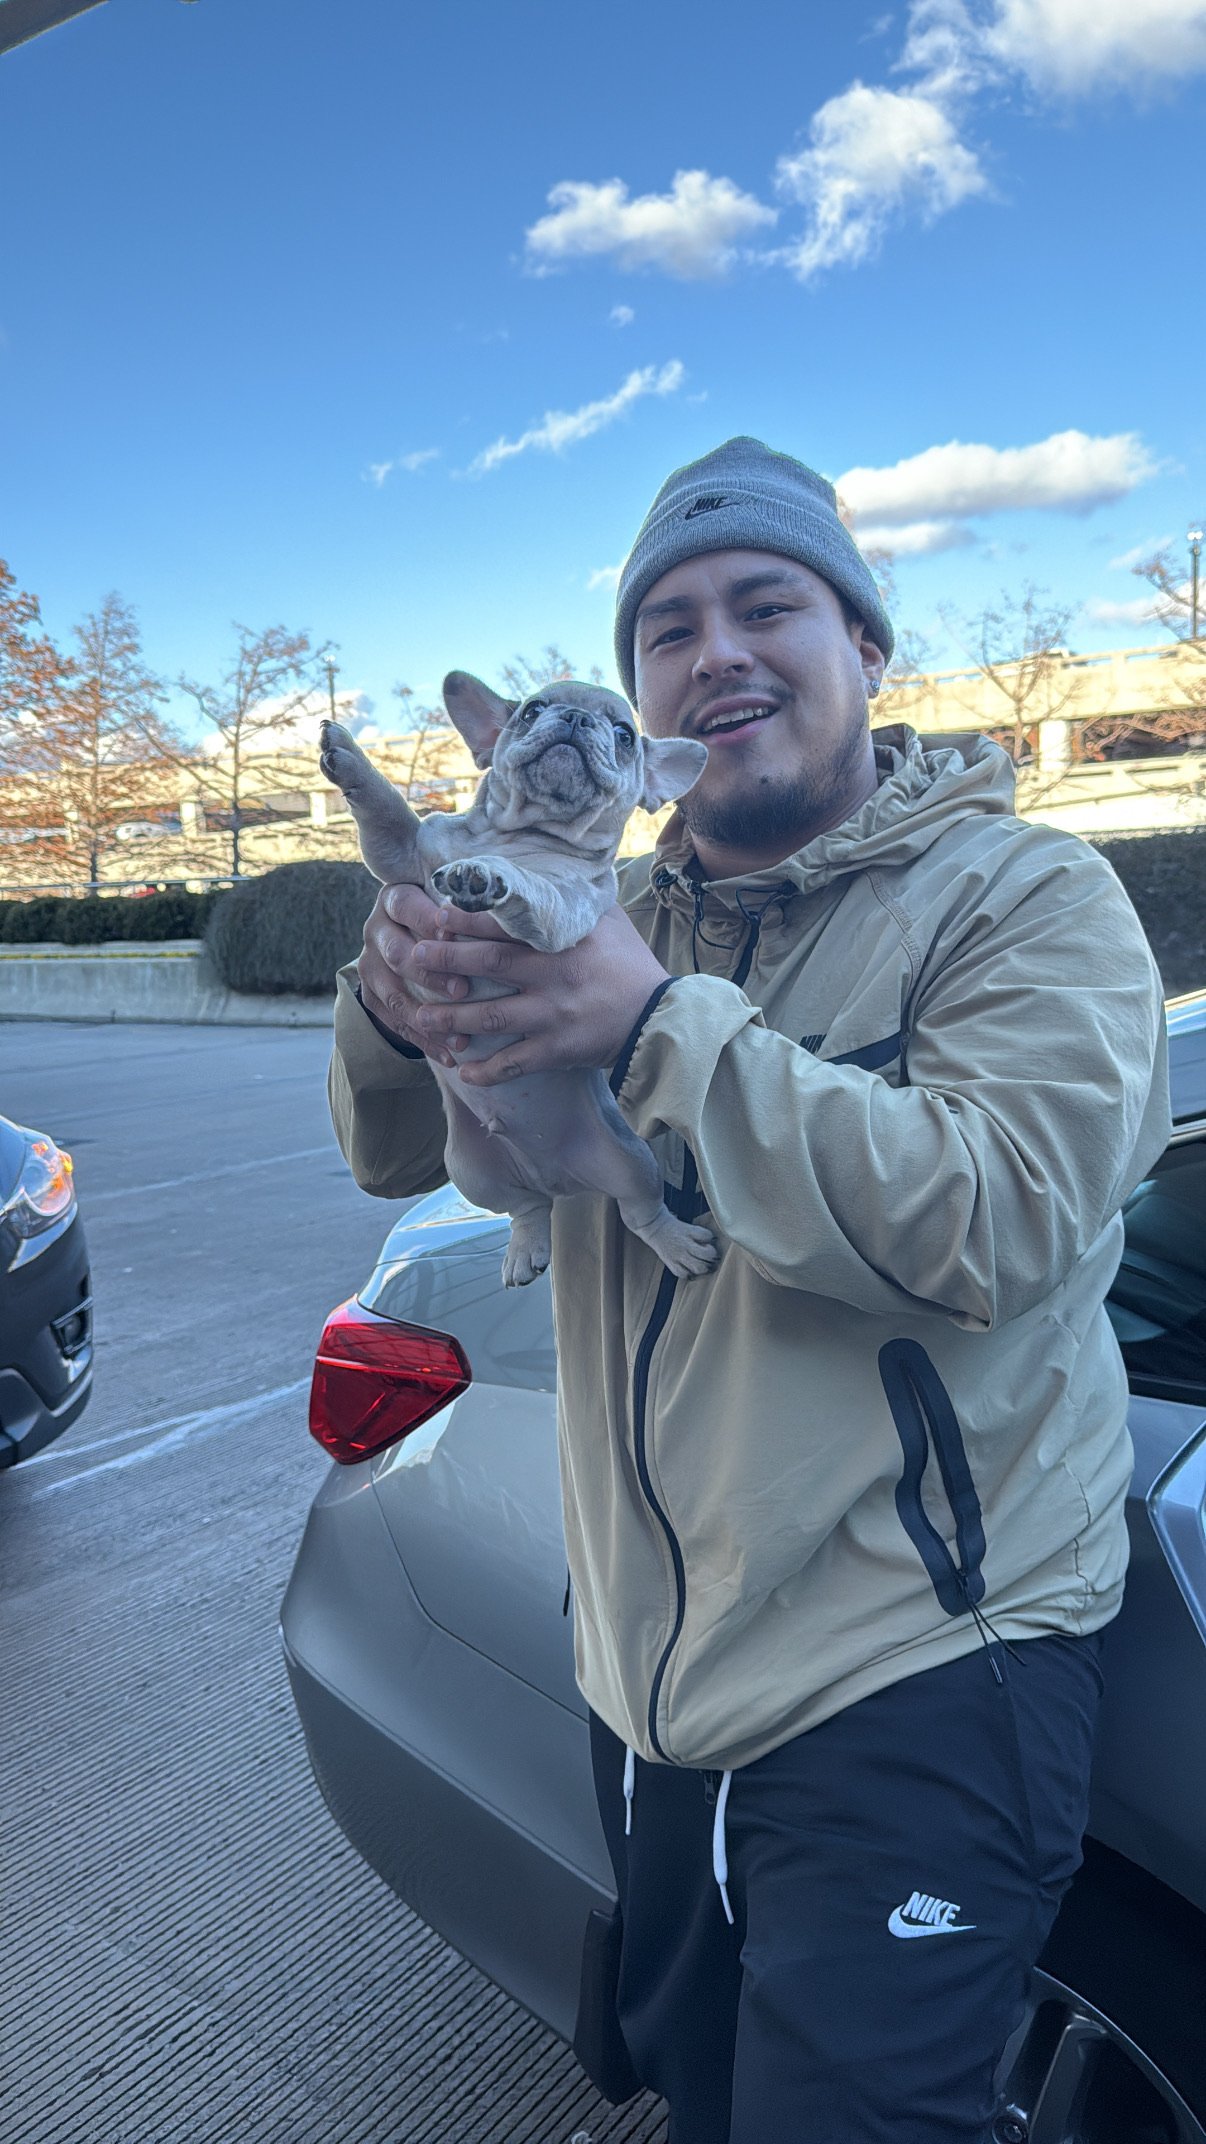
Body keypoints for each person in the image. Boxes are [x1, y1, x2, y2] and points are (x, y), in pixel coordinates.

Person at [328, 437, 1170, 2143]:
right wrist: (392, 996)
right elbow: (389, 1150)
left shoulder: (1026, 900)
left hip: (919, 1668)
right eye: (669, 628)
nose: (714, 650)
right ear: (643, 707)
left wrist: (652, 1027)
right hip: (649, 1674)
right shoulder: (600, 897)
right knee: (702, 2099)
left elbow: (1002, 1217)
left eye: (765, 605)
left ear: (864, 643)